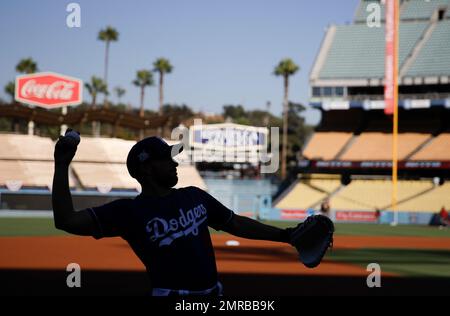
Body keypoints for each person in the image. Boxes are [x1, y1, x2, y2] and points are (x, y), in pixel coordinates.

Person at [52, 135, 297, 296]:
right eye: (166, 159)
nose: (175, 163)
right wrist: (62, 165)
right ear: (146, 168)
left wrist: (287, 235)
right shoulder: (127, 212)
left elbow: (235, 223)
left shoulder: (194, 196)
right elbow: (66, 220)